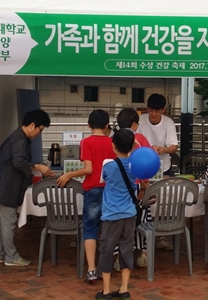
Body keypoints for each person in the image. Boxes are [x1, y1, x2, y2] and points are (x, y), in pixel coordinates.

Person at [0, 109, 54, 267]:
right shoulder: (20, 140)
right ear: (32, 125)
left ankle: (1, 254)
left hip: (1, 186)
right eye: (40, 130)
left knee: (2, 223)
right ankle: (11, 256)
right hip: (6, 187)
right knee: (8, 222)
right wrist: (39, 168)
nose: (38, 134)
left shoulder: (17, 137)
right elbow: (19, 162)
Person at [56, 109, 116, 283]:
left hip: (93, 190)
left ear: (89, 125)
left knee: (90, 229)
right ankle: (107, 268)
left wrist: (69, 175)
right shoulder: (112, 143)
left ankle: (91, 269)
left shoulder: (86, 142)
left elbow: (88, 169)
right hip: (110, 190)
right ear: (106, 126)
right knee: (108, 230)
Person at [95, 129, 137, 299]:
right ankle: (124, 288)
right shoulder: (135, 166)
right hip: (130, 214)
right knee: (127, 248)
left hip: (112, 215)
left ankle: (106, 290)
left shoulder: (108, 165)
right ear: (132, 146)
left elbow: (102, 180)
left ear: (113, 146)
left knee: (107, 249)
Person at [113, 108, 151, 270]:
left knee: (117, 223)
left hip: (117, 189)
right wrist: (144, 184)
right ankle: (143, 254)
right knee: (142, 219)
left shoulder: (113, 140)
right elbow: (147, 163)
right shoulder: (140, 139)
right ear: (134, 124)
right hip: (136, 187)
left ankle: (117, 257)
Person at [137, 93, 177, 251]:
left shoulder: (168, 123)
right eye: (151, 110)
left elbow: (174, 146)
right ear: (147, 108)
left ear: (163, 110)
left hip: (163, 167)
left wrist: (163, 149)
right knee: (143, 200)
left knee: (164, 202)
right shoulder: (140, 121)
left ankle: (162, 235)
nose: (153, 114)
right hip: (142, 167)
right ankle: (141, 232)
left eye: (157, 111)